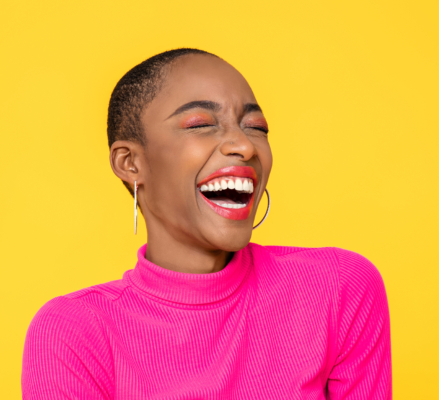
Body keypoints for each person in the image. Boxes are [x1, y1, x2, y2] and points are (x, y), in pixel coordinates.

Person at [22, 48, 392, 399]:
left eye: (256, 127)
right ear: (130, 163)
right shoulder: (74, 334)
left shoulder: (338, 289)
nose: (244, 146)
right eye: (201, 124)